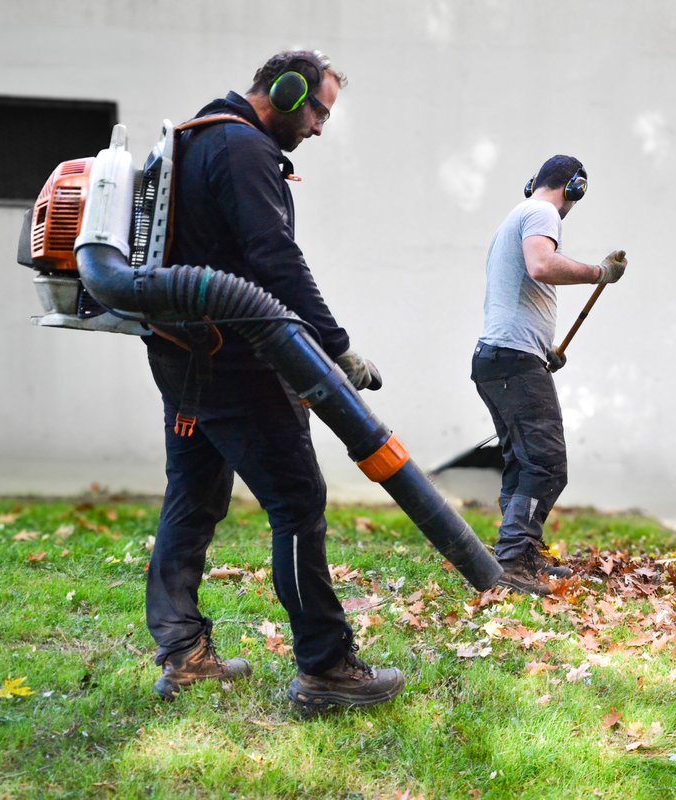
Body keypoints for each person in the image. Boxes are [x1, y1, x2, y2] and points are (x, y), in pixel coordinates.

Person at [143, 49, 403, 711]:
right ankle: (326, 667)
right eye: (319, 110)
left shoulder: (196, 138)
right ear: (286, 92)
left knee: (194, 496)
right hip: (235, 359)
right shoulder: (242, 148)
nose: (319, 128)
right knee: (296, 502)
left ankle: (184, 655)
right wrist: (336, 349)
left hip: (183, 354)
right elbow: (274, 258)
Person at [472, 155, 628, 595]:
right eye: (576, 195)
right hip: (512, 360)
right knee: (546, 465)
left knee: (522, 462)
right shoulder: (542, 212)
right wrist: (599, 273)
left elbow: (518, 291)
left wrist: (543, 351)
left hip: (502, 358)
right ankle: (510, 560)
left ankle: (520, 552)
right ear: (573, 187)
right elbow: (541, 265)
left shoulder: (517, 215)